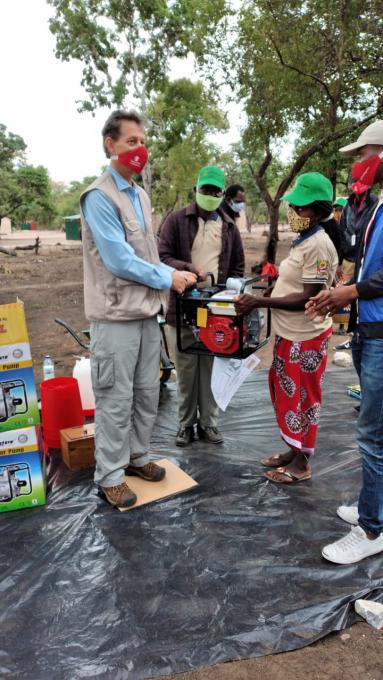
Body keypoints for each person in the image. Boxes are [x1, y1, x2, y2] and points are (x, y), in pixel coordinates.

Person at [79, 110, 197, 508]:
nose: (139, 149)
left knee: (148, 392)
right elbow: (118, 260)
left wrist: (173, 273)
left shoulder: (140, 196)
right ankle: (110, 475)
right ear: (110, 145)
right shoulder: (98, 197)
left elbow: (146, 255)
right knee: (115, 397)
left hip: (147, 314)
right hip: (115, 319)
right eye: (131, 141)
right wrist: (168, 279)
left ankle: (136, 458)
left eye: (142, 142)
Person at [306, 120, 383, 564]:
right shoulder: (373, 208)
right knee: (377, 431)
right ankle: (374, 504)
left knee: (373, 435)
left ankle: (372, 529)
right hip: (368, 328)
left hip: (381, 334)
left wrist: (348, 293)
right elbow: (355, 253)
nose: (356, 164)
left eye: (363, 155)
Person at [235, 172, 338, 483]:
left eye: (301, 209)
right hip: (290, 333)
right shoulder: (304, 241)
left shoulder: (319, 245)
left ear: (319, 212)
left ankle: (302, 463)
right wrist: (272, 292)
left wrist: (259, 303)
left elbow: (309, 298)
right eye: (293, 207)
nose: (294, 213)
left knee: (305, 398)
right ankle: (294, 450)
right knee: (287, 396)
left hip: (306, 337)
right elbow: (293, 283)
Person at [158, 166, 245, 447]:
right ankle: (186, 424)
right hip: (183, 304)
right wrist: (187, 269)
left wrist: (230, 291)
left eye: (215, 191)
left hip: (215, 308)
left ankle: (209, 423)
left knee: (210, 367)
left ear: (222, 195)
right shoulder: (176, 220)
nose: (209, 195)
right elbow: (161, 256)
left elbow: (238, 266)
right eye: (204, 190)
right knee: (185, 368)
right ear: (196, 189)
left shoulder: (229, 226)